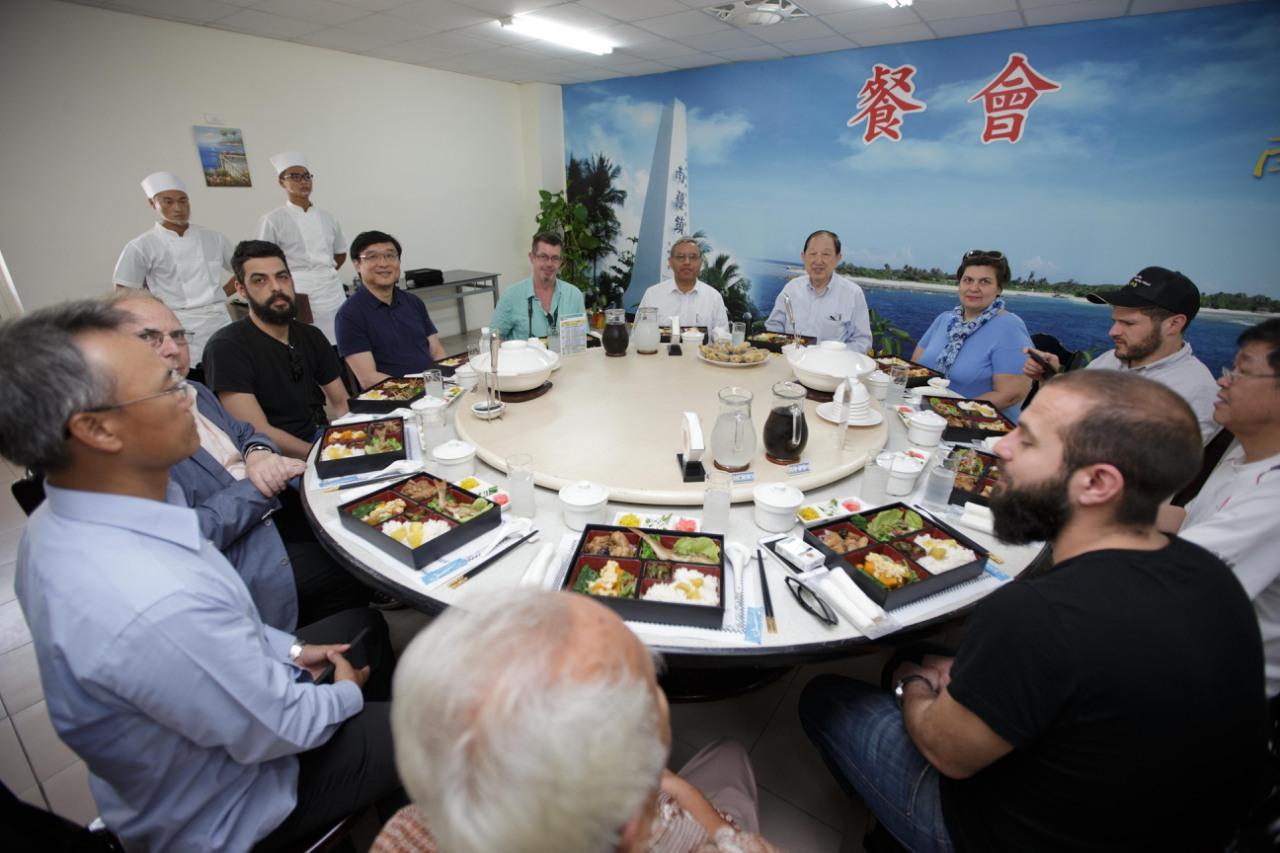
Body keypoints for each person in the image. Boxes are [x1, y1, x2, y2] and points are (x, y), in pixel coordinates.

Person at [799, 370, 1266, 852]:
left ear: (1098, 482)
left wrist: (914, 683)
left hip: (994, 833)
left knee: (829, 695)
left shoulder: (1038, 614)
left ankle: (888, 832)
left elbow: (947, 752)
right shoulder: (1211, 576)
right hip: (1174, 828)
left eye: (1028, 439)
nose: (1001, 447)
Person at [0, 301, 401, 852]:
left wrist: (285, 652)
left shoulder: (58, 518)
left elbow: (222, 640)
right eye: (166, 388)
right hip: (239, 807)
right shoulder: (153, 601)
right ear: (96, 429)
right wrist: (345, 696)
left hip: (204, 752)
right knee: (437, 728)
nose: (189, 394)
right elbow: (282, 727)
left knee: (362, 627)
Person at [375, 590, 779, 853]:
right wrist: (714, 824)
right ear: (632, 830)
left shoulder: (402, 832)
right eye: (647, 690)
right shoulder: (668, 834)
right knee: (730, 754)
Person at [110, 290, 371, 629]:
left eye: (177, 335)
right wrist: (258, 485)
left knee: (363, 509)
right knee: (353, 562)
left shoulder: (195, 392)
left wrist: (259, 455)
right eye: (149, 338)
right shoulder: (125, 438)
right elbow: (188, 535)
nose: (172, 348)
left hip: (275, 503)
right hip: (244, 551)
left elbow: (247, 433)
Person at [1161, 318, 1280, 697]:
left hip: (1213, 690)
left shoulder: (1272, 499)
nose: (1223, 381)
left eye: (1242, 371)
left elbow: (1170, 582)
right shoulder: (1243, 455)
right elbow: (1185, 519)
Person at [1023, 265, 1219, 443]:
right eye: (1115, 321)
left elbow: (1152, 475)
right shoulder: (1110, 360)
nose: (1113, 332)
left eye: (1128, 323)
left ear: (1174, 324)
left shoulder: (1194, 392)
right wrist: (1048, 378)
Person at [203, 240, 349, 460]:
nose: (276, 287)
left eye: (282, 277)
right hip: (272, 459)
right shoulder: (226, 348)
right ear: (241, 289)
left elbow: (341, 403)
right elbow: (259, 431)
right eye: (260, 280)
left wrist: (353, 444)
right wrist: (322, 457)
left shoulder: (311, 335)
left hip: (319, 438)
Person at [112, 170, 234, 364]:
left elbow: (245, 270)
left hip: (219, 321)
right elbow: (125, 294)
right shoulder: (142, 245)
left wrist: (222, 293)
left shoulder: (214, 238)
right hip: (176, 327)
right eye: (168, 201)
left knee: (232, 374)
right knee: (190, 381)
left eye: (183, 200)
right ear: (153, 203)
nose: (178, 208)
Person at [912, 249, 1032, 419]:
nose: (973, 288)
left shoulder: (1009, 327)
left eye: (984, 282)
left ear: (999, 288)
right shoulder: (945, 320)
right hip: (926, 414)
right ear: (959, 284)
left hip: (975, 427)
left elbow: (1010, 395)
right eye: (968, 280)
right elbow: (915, 367)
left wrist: (947, 412)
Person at [336, 230, 447, 390]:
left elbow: (437, 352)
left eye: (390, 255)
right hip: (391, 398)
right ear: (357, 264)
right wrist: (420, 388)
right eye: (372, 256)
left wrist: (442, 384)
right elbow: (368, 378)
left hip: (431, 390)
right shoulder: (349, 315)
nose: (383, 263)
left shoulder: (413, 302)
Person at [258, 151, 347, 344]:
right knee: (307, 344)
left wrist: (323, 272)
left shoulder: (327, 217)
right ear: (282, 182)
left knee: (343, 340)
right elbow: (263, 262)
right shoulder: (273, 219)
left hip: (331, 288)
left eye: (306, 176)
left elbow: (340, 253)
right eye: (295, 177)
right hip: (298, 291)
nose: (303, 181)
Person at [764, 230, 871, 350]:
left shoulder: (853, 294)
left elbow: (862, 341)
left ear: (837, 258)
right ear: (803, 257)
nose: (818, 261)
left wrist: (830, 355)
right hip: (789, 360)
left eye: (826, 254)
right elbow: (773, 327)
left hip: (831, 367)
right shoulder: (791, 288)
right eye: (813, 253)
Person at [490, 232, 587, 341]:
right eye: (543, 257)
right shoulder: (511, 296)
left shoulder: (574, 296)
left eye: (555, 258)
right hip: (524, 358)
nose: (549, 264)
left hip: (565, 358)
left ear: (561, 261)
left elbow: (583, 340)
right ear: (532, 258)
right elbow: (494, 338)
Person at [639, 237, 730, 332]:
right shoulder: (652, 295)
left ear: (700, 263)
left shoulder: (714, 298)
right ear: (670, 262)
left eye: (693, 257)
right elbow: (639, 335)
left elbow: (723, 341)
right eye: (680, 257)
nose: (687, 262)